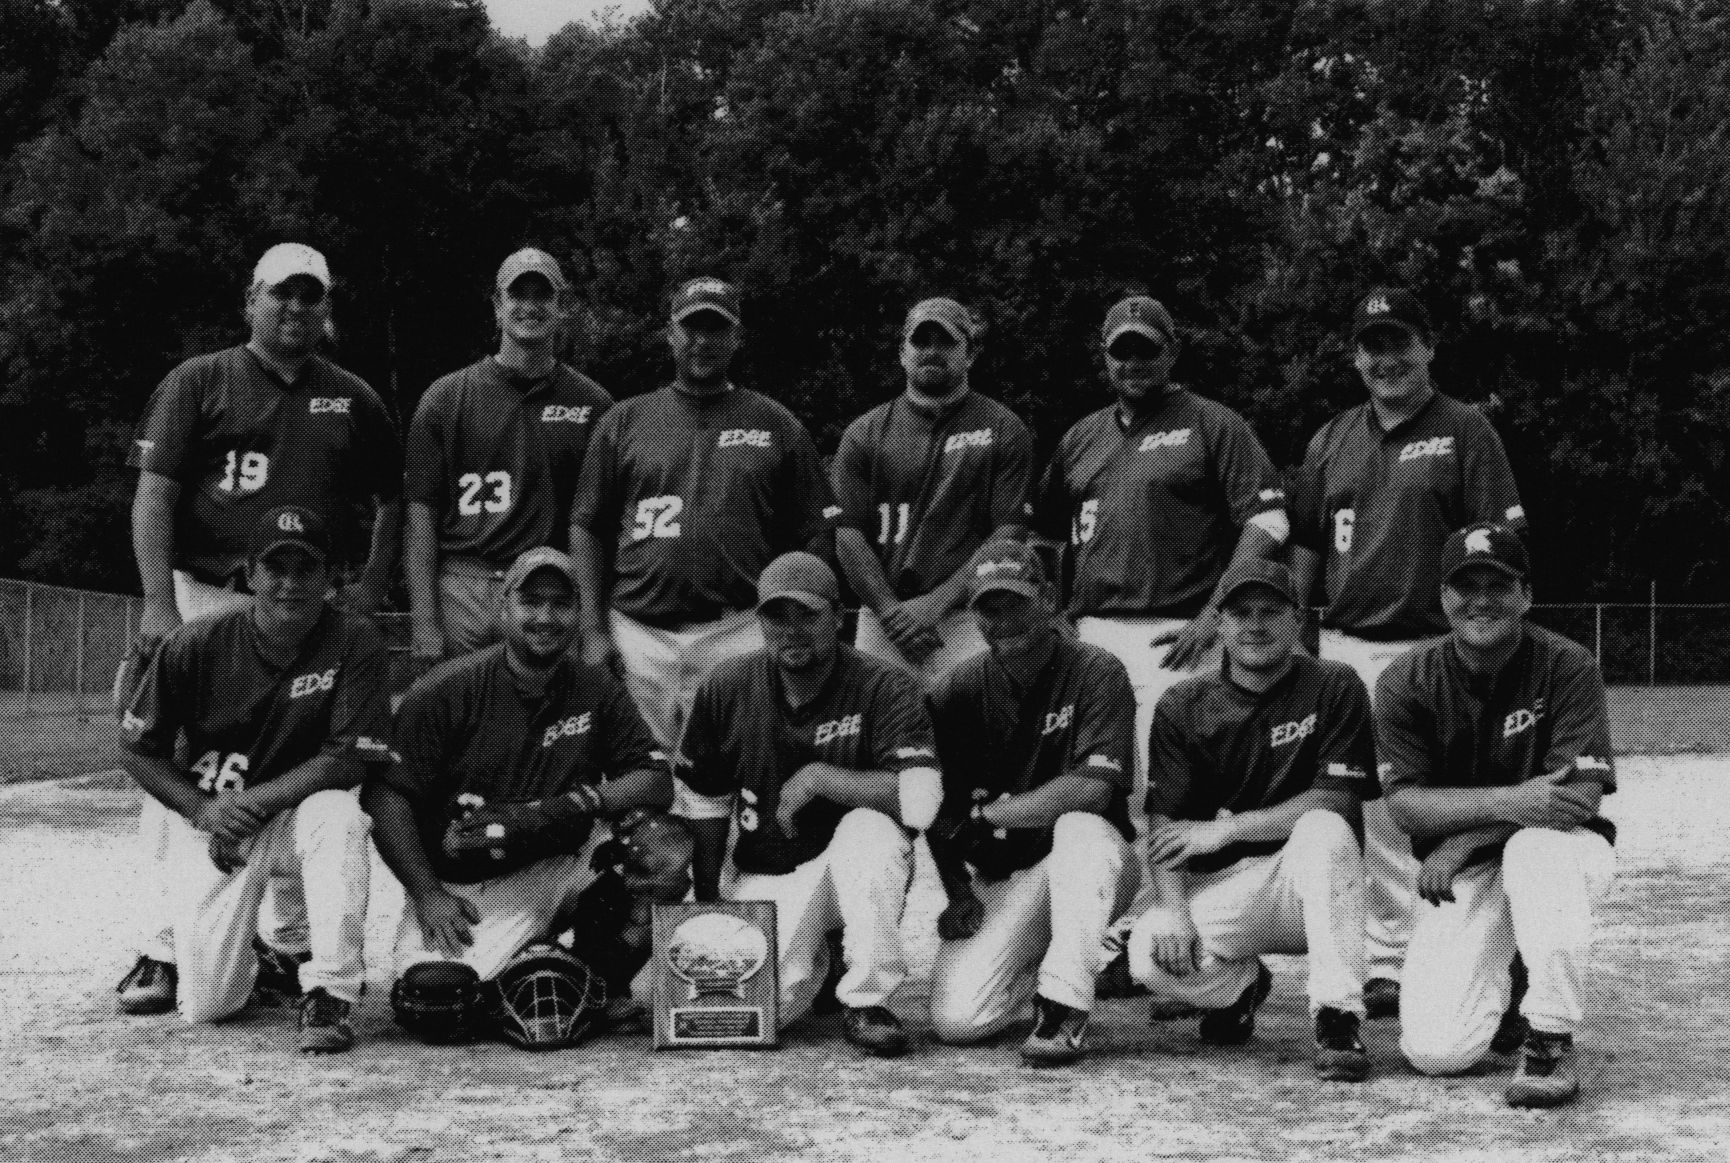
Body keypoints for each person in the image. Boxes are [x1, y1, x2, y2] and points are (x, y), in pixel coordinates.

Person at [118, 242, 403, 1018]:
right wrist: (158, 602)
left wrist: (370, 587)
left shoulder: (350, 396)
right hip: (210, 594)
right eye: (282, 294)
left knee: (304, 759)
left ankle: (291, 942)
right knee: (187, 768)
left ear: (326, 309)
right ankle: (164, 944)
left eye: (311, 296)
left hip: (308, 602)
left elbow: (392, 498)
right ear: (251, 299)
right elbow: (154, 494)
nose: (296, 308)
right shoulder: (200, 379)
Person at [1289, 287, 1527, 1019]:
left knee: (1433, 801)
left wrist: (1484, 642)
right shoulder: (1331, 437)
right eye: (1372, 345)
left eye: (1399, 342)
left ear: (1428, 347)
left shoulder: (1465, 429)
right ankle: (1390, 959)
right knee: (1370, 806)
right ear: (1356, 357)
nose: (1385, 358)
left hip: (1435, 643)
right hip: (1347, 642)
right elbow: (1307, 543)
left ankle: (1476, 949)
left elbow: (1501, 542)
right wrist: (1299, 634)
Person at [364, 547, 681, 1029]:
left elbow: (655, 781)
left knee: (660, 845)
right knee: (435, 1003)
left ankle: (601, 982)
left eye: (561, 604)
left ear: (579, 612)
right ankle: (532, 960)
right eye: (531, 602)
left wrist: (555, 809)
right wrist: (427, 893)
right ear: (503, 606)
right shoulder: (445, 688)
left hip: (563, 865)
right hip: (469, 886)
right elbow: (386, 796)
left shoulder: (596, 686)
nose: (546, 618)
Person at [115, 506, 391, 1053]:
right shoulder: (198, 642)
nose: (290, 583)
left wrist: (248, 804)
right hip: (218, 821)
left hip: (290, 815)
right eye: (275, 568)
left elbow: (347, 760)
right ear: (249, 573)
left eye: (306, 569)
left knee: (340, 816)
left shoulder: (354, 640)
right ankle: (257, 962)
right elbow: (137, 748)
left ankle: (330, 991)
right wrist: (201, 810)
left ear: (329, 577)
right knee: (207, 1005)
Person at [1032, 295, 1288, 847]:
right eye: (1121, 352)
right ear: (1104, 358)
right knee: (1100, 787)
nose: (1133, 363)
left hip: (1181, 633)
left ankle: (1180, 891)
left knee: (1175, 784)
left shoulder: (1213, 423)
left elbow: (1268, 522)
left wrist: (1215, 614)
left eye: (1146, 351)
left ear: (1172, 352)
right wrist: (1052, 612)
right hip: (1093, 636)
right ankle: (1121, 893)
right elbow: (1043, 534)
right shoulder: (1082, 436)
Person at [1377, 523, 1616, 1107]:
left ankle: (1550, 1036)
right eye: (1466, 586)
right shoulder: (1406, 678)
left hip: (1559, 846)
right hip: (1467, 866)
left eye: (1498, 586)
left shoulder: (1566, 664)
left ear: (1526, 595)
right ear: (1443, 598)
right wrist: (1513, 801)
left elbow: (1578, 798)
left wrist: (1463, 837)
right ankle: (1508, 984)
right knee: (1437, 1053)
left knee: (1534, 849)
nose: (1481, 601)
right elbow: (1406, 806)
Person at [670, 552, 943, 1057]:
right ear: (760, 623)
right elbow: (705, 799)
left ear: (838, 617)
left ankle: (869, 1000)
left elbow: (922, 802)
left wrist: (824, 779)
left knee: (870, 828)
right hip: (770, 870)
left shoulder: (885, 683)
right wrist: (708, 902)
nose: (792, 631)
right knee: (723, 1008)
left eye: (807, 616)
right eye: (778, 618)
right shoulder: (727, 684)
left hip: (856, 870)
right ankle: (824, 962)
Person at [1125, 559, 1379, 1081]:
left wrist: (1228, 828)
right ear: (1219, 623)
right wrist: (1174, 910)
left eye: (1270, 611)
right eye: (1241, 613)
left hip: (1317, 882)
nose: (1255, 625)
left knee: (1324, 829)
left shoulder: (1335, 683)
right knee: (1147, 952)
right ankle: (1241, 988)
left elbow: (1337, 801)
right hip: (1233, 887)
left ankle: (1338, 1017)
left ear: (1297, 621)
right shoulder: (1182, 703)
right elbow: (1165, 827)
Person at [569, 277, 840, 750]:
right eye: (691, 328)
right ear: (670, 334)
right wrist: (593, 628)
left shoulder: (776, 423)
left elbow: (815, 533)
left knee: (734, 769)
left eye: (716, 329)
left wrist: (794, 622)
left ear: (737, 338)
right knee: (640, 771)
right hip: (637, 633)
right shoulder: (624, 420)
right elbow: (587, 527)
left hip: (737, 630)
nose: (702, 341)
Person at [924, 541, 1138, 1066]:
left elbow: (1092, 790)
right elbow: (937, 809)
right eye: (989, 609)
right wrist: (956, 891)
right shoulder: (957, 689)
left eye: (1016, 603)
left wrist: (987, 816)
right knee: (959, 1022)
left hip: (1094, 859)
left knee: (1078, 828)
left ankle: (1064, 1004)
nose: (1004, 621)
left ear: (1047, 599)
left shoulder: (1097, 669)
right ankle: (1061, 960)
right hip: (1006, 874)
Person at [403, 248, 614, 664]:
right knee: (461, 702)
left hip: (549, 586)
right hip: (465, 582)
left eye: (543, 295)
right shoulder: (446, 397)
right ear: (498, 306)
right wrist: (425, 621)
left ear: (561, 307)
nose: (530, 307)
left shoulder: (593, 404)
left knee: (550, 705)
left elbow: (601, 525)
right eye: (518, 295)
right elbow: (420, 514)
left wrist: (593, 626)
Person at [831, 297, 1033, 683]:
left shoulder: (1004, 428)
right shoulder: (864, 433)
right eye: (921, 341)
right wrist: (891, 612)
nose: (932, 351)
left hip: (971, 617)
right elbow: (847, 535)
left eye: (946, 342)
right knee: (882, 723)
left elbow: (1009, 533)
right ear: (902, 353)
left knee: (973, 722)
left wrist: (934, 604)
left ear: (970, 354)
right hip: (883, 620)